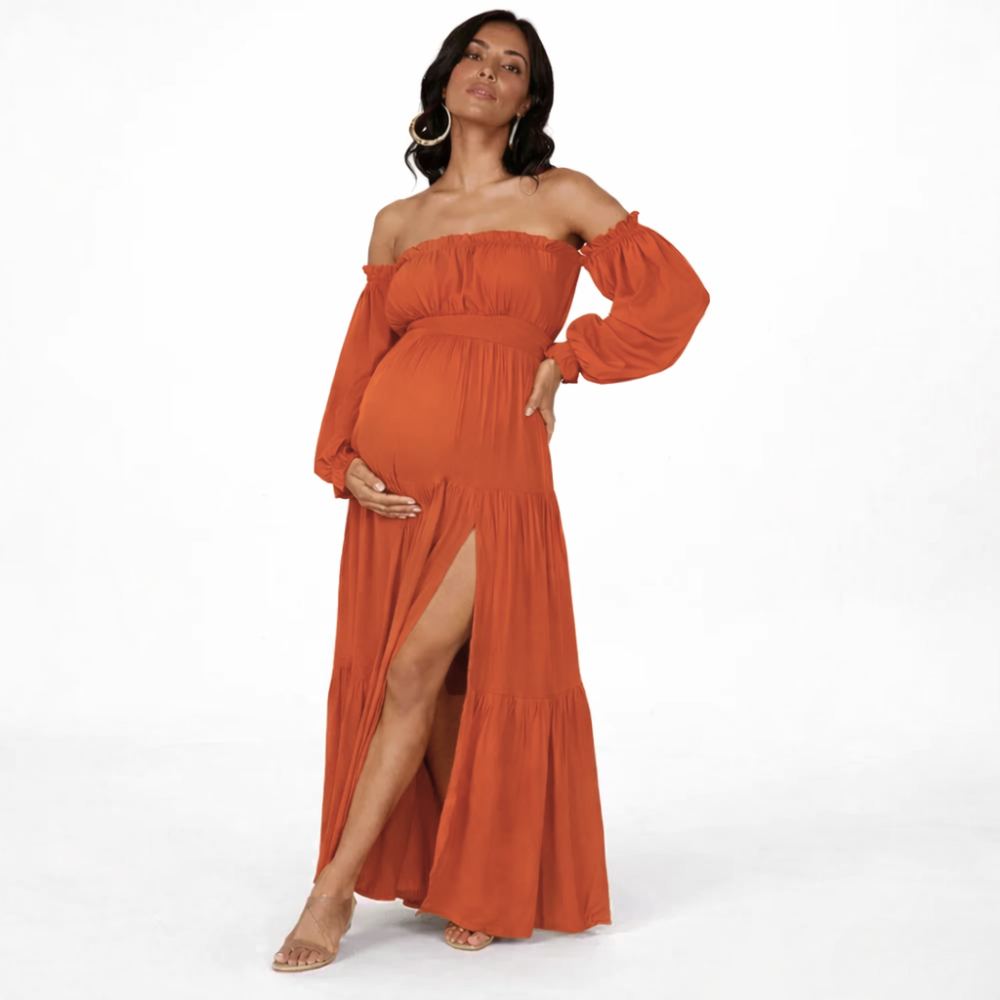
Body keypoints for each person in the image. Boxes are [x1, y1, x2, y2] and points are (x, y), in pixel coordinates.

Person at [272, 9, 710, 972]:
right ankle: (471, 874)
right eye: (474, 55)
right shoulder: (399, 222)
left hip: (495, 468)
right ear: (445, 78)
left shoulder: (560, 195)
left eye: (512, 65)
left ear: (527, 98)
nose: (488, 71)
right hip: (397, 477)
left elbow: (674, 299)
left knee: (414, 669)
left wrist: (568, 357)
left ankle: (330, 892)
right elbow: (366, 349)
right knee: (436, 683)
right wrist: (341, 456)